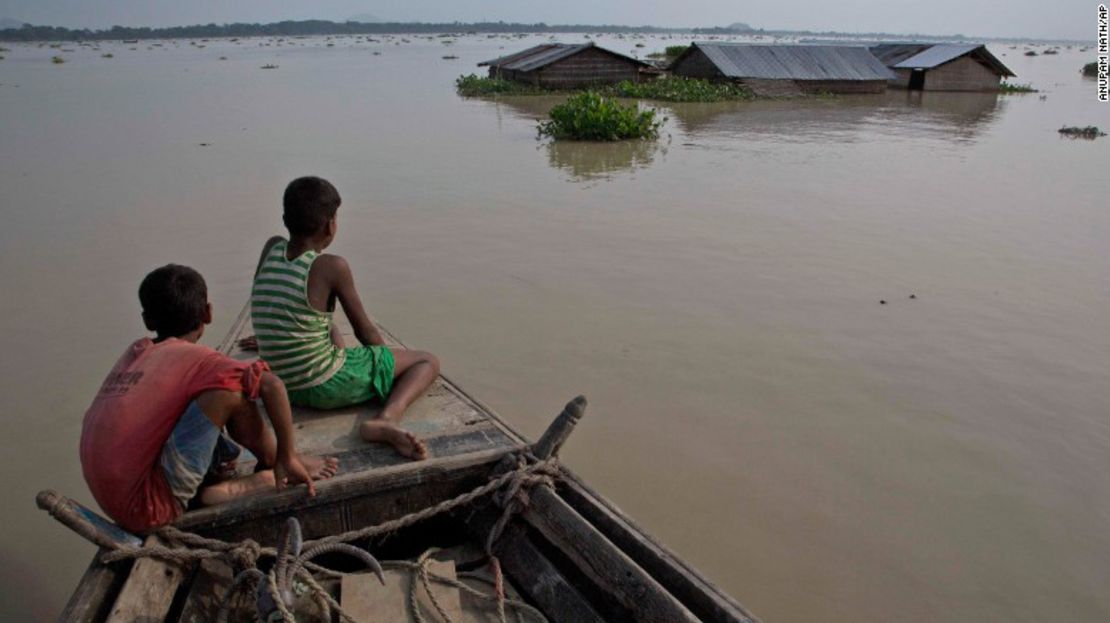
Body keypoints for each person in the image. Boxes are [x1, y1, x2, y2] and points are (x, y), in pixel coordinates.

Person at [80, 264, 338, 533]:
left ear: (147, 321)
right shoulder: (200, 361)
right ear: (208, 313)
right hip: (150, 507)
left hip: (110, 497)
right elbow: (272, 385)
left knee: (203, 391)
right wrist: (288, 454)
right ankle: (276, 462)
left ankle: (208, 488)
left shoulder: (137, 351)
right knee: (230, 391)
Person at [245, 176, 439, 460]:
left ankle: (343, 368)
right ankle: (386, 420)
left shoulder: (271, 247)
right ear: (330, 225)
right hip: (321, 386)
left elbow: (276, 301)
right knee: (427, 361)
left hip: (281, 386)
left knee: (331, 327)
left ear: (285, 219)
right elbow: (365, 332)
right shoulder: (331, 266)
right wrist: (385, 367)